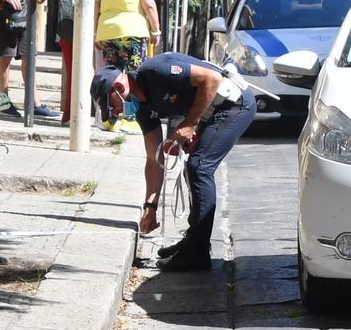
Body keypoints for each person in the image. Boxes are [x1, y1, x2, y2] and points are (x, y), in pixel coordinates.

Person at [90, 55, 255, 271]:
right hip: (212, 110)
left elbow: (212, 79)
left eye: (112, 107)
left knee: (199, 167)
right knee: (193, 168)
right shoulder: (142, 108)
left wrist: (191, 123)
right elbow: (154, 158)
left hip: (235, 104)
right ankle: (193, 241)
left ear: (118, 86)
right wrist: (151, 206)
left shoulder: (157, 70)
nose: (117, 113)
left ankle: (197, 253)